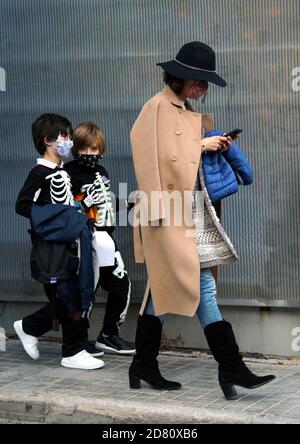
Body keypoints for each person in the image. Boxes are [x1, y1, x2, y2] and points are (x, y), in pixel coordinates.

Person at [129, 42, 275, 399]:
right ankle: (231, 367)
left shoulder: (183, 108)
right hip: (167, 213)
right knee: (200, 286)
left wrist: (211, 144)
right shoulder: (156, 107)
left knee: (162, 292)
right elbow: (151, 159)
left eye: (204, 83)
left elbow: (181, 157)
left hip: (192, 210)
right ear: (179, 77)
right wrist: (201, 147)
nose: (202, 88)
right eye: (198, 81)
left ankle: (143, 365)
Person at [14, 113, 104, 370]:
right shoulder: (40, 172)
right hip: (54, 246)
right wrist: (56, 221)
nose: (68, 140)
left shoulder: (60, 170)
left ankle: (73, 344)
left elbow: (66, 204)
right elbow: (23, 205)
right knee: (66, 295)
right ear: (47, 140)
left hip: (71, 241)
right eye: (64, 135)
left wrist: (82, 206)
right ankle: (67, 348)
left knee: (75, 291)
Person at [65, 122, 135, 355]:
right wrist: (83, 200)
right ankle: (79, 340)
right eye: (84, 149)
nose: (89, 154)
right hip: (85, 239)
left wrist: (129, 205)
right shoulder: (69, 173)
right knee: (86, 289)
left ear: (100, 150)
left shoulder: (102, 172)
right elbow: (67, 208)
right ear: (76, 148)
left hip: (106, 237)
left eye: (93, 149)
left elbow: (104, 206)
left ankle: (108, 334)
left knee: (121, 285)